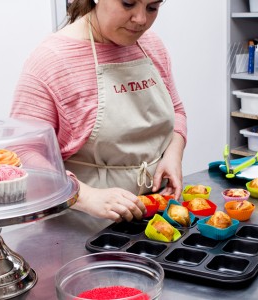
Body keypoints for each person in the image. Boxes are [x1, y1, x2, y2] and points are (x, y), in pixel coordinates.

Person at [11, 0, 187, 223]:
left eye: (152, 7)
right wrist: (85, 196)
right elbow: (22, 153)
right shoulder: (52, 59)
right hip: (84, 222)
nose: (141, 19)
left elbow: (177, 111)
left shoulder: (151, 45)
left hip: (155, 213)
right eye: (128, 3)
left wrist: (173, 155)